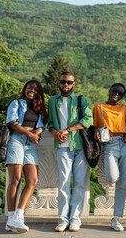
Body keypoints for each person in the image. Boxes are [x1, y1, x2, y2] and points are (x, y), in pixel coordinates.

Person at [48, 71, 93, 232]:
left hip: (80, 146)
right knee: (64, 184)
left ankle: (75, 219)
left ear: (73, 84)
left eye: (69, 82)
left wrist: (67, 130)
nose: (65, 85)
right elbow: (51, 123)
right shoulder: (52, 101)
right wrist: (55, 133)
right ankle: (63, 219)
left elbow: (88, 120)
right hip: (62, 147)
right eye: (62, 82)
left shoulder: (82, 100)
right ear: (59, 83)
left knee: (80, 184)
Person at [5, 79, 48, 233]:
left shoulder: (39, 107)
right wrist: (30, 134)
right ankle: (10, 218)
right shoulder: (16, 103)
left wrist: (38, 132)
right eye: (30, 88)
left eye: (36, 89)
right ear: (25, 89)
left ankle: (18, 216)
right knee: (15, 179)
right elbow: (12, 122)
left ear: (39, 92)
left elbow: (42, 125)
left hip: (31, 144)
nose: (32, 91)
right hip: (17, 139)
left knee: (33, 180)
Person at [93, 83, 126, 232]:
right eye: (115, 91)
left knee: (123, 183)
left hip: (125, 144)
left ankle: (116, 218)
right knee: (112, 177)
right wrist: (96, 131)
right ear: (109, 90)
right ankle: (116, 216)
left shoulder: (124, 108)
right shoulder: (99, 107)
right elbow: (95, 125)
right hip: (110, 144)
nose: (116, 94)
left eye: (120, 93)